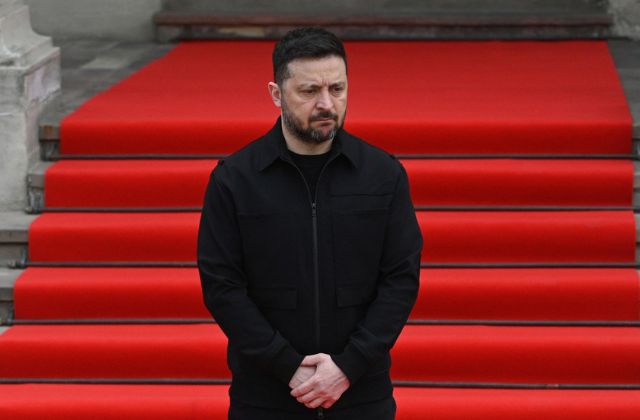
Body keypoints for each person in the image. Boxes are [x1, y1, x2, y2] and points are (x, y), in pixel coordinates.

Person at [197, 27, 423, 420]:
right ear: (276, 94)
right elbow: (222, 286)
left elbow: (400, 279)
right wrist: (287, 366)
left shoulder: (383, 175)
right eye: (309, 91)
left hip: (361, 394)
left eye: (337, 89)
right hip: (265, 396)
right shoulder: (234, 179)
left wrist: (348, 366)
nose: (326, 104)